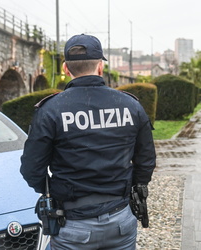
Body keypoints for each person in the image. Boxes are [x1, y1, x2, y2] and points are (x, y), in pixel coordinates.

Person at [20, 34, 156, 250]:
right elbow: (146, 160)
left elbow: (31, 168)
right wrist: (132, 187)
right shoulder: (131, 106)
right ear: (100, 67)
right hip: (120, 218)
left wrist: (50, 191)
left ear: (66, 69)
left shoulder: (50, 110)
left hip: (72, 223)